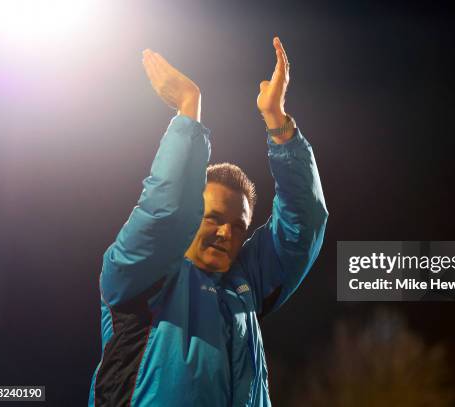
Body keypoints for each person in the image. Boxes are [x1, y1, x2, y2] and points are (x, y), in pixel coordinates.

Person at [88, 37, 328, 406]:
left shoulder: (244, 284)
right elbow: (164, 212)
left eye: (238, 226)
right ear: (191, 216)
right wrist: (188, 107)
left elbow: (304, 225)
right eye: (213, 218)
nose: (225, 233)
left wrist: (277, 122)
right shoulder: (138, 277)